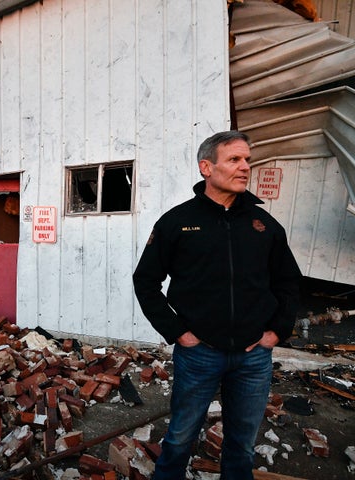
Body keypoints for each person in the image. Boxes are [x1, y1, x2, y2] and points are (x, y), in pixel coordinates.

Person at [132, 130, 301, 479]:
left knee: (241, 444)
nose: (244, 168)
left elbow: (288, 282)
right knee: (180, 437)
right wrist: (178, 332)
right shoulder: (177, 222)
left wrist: (276, 332)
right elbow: (145, 282)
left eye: (247, 160)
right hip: (199, 354)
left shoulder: (264, 226)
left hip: (254, 357)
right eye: (234, 159)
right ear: (206, 167)